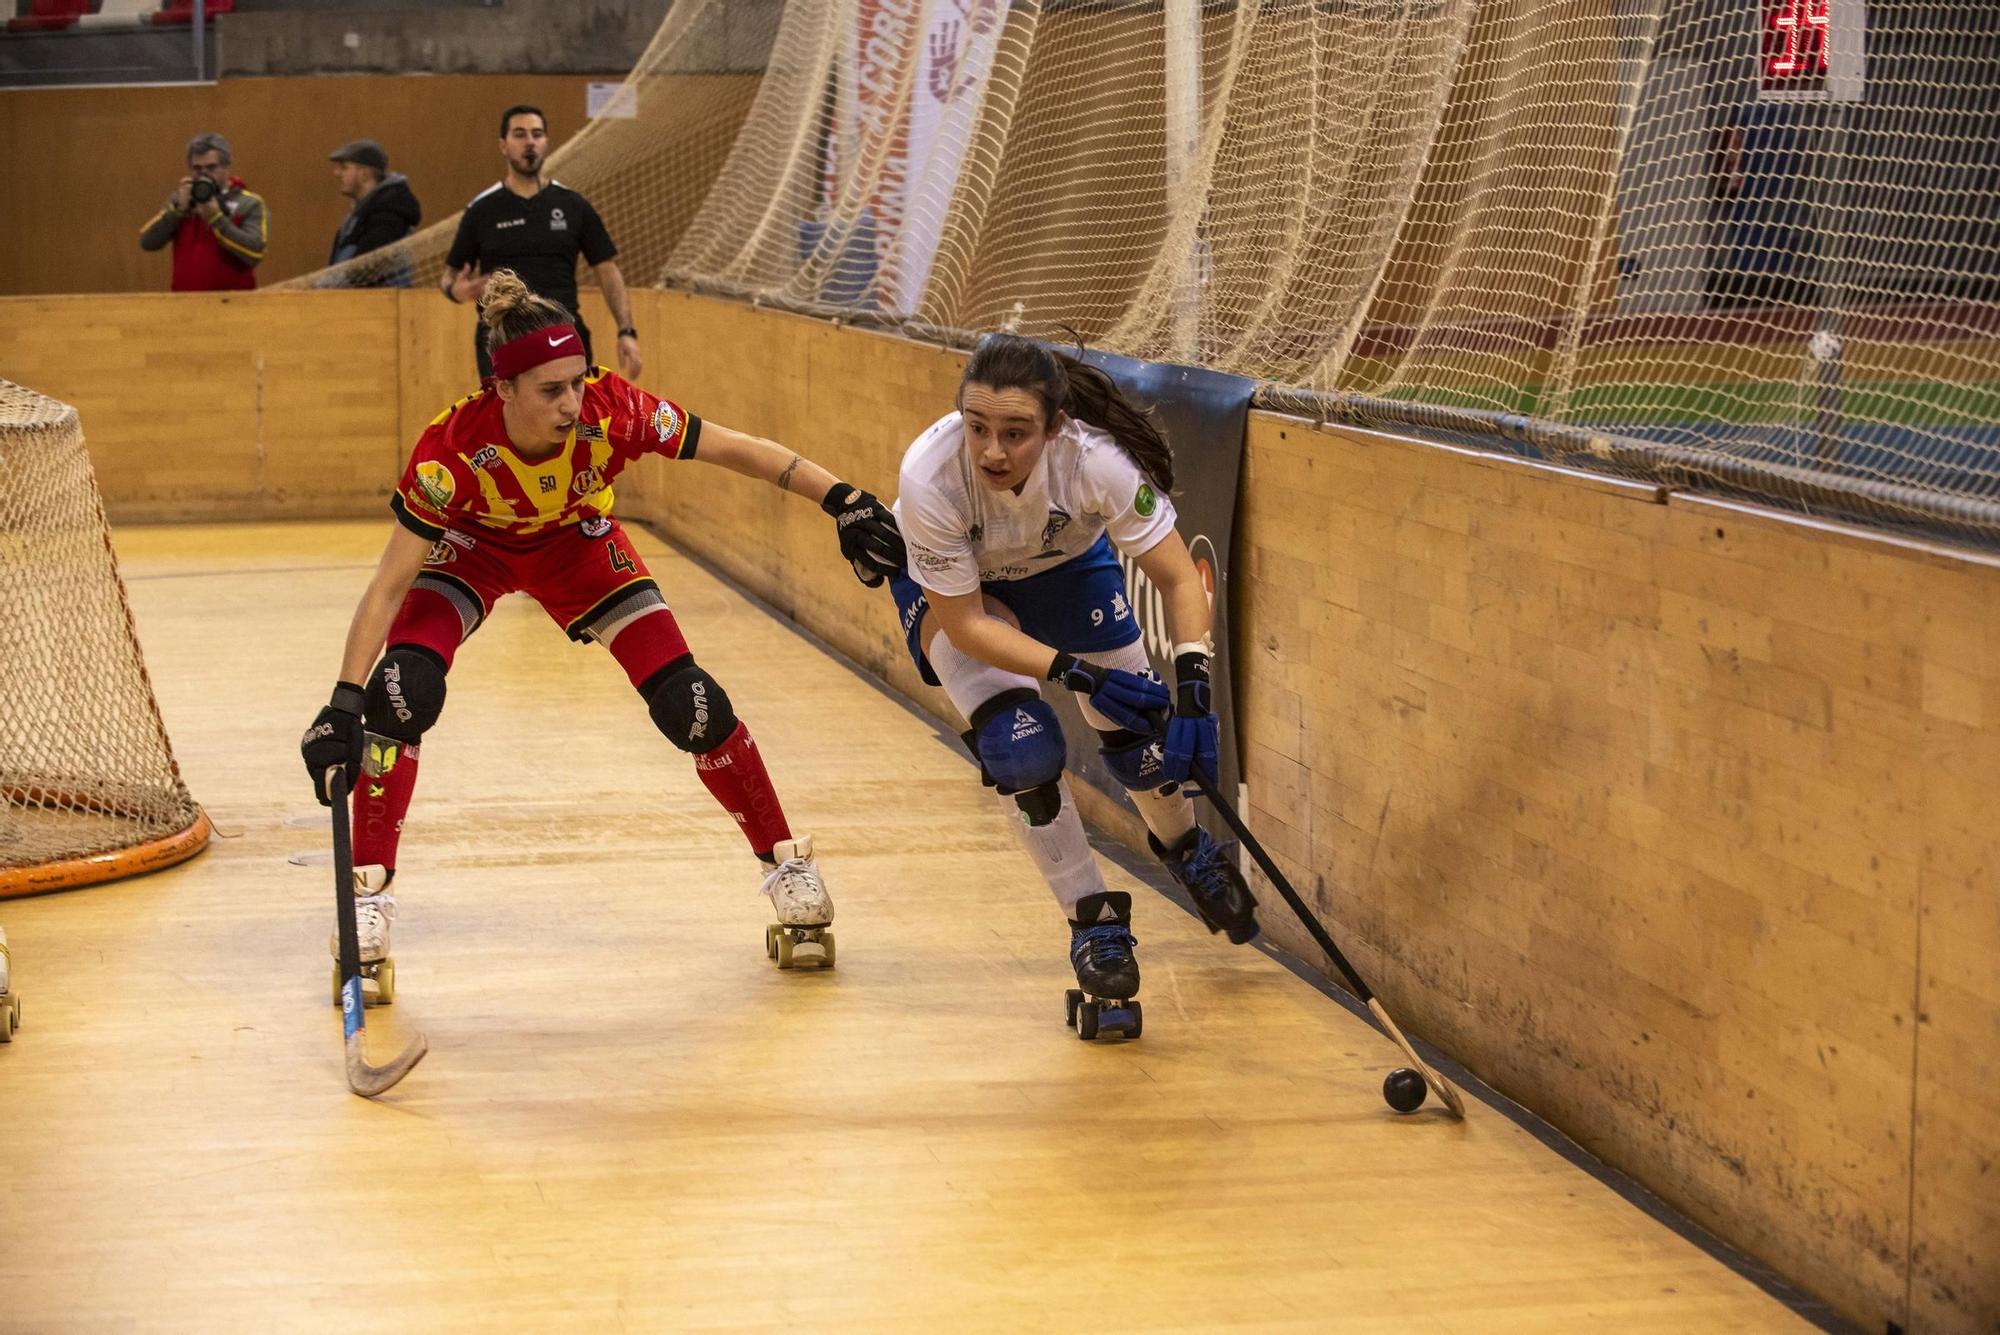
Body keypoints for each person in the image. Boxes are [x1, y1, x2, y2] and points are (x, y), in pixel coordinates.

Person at [298, 270, 905, 1000]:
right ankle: (367, 896)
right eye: (550, 389)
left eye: (578, 381)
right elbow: (390, 584)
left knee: (695, 705)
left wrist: (841, 498)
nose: (572, 403)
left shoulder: (614, 409)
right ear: (503, 389)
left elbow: (735, 448)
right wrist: (342, 699)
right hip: (473, 549)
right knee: (401, 695)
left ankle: (786, 862)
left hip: (578, 546)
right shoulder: (450, 450)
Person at [888, 334, 1259, 1033]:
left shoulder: (1095, 462)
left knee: (1144, 740)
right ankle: (1092, 920)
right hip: (960, 595)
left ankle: (1187, 850)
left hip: (1062, 567)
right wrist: (1072, 670)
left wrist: (1195, 687)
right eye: (977, 429)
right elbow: (968, 625)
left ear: (1056, 428)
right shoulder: (929, 477)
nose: (992, 451)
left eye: (1016, 433)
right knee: (1021, 750)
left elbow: (1180, 579)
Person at [440, 105, 642, 381]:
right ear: (503, 145)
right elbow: (449, 277)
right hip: (502, 334)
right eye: (520, 134)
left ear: (546, 142)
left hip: (563, 332)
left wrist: (626, 331)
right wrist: (456, 291)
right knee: (506, 420)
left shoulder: (573, 205)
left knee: (568, 417)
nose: (529, 142)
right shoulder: (482, 210)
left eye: (536, 134)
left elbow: (607, 269)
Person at [138, 132, 268, 292]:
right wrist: (177, 212)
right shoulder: (182, 201)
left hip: (234, 305)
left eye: (211, 167)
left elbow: (255, 253)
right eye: (197, 168)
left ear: (227, 167)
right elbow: (147, 242)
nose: (204, 174)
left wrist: (216, 219)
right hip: (184, 305)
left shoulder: (249, 203)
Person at [326, 139, 422, 283]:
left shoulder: (389, 215)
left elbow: (364, 272)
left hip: (377, 303)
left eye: (344, 167)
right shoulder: (358, 215)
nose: (337, 173)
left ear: (364, 174)